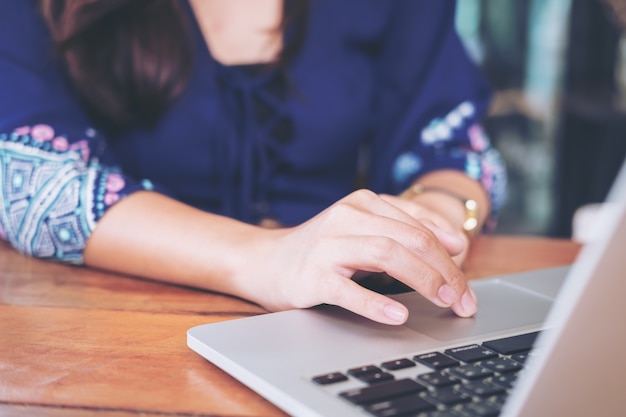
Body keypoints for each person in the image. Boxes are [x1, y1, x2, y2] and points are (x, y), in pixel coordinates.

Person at [0, 0, 506, 325]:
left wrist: (432, 222)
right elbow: (30, 180)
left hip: (339, 320)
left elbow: (453, 141)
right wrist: (268, 258)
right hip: (108, 323)